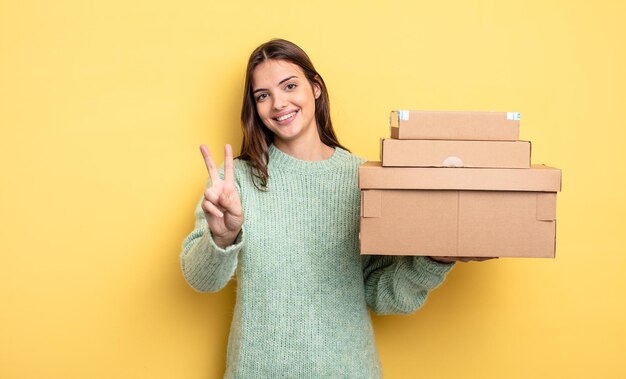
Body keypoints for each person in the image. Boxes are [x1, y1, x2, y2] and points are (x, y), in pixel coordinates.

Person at [180, 38, 487, 378]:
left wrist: (436, 259)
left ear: (315, 88)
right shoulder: (231, 182)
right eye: (263, 95)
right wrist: (222, 237)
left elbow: (380, 293)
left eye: (290, 86)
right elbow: (200, 280)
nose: (278, 103)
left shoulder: (364, 179)